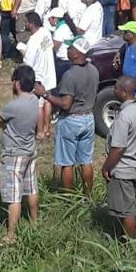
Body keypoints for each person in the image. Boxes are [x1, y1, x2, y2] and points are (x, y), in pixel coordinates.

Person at [0, 65, 49, 247]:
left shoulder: (14, 105)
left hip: (14, 155)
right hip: (30, 150)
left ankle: (11, 235)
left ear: (17, 83)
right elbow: (40, 113)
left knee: (14, 196)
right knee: (31, 188)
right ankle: (34, 222)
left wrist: (5, 126)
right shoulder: (34, 100)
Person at [45, 38, 99, 194]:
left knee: (66, 162)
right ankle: (87, 194)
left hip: (71, 120)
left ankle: (68, 198)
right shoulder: (93, 70)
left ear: (77, 53)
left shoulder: (70, 75)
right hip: (88, 118)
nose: (67, 50)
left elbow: (66, 103)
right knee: (86, 161)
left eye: (70, 48)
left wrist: (46, 95)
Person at [101, 76, 136, 239]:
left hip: (123, 168)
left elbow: (118, 148)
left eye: (116, 88)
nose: (114, 90)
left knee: (126, 211)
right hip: (135, 161)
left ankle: (130, 245)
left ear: (124, 92)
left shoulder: (125, 116)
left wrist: (106, 167)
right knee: (126, 205)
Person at [21, 10, 56, 91]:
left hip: (39, 80)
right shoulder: (46, 32)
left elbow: (28, 64)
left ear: (31, 24)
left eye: (26, 22)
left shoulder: (32, 41)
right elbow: (50, 46)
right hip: (50, 76)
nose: (24, 24)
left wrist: (23, 52)